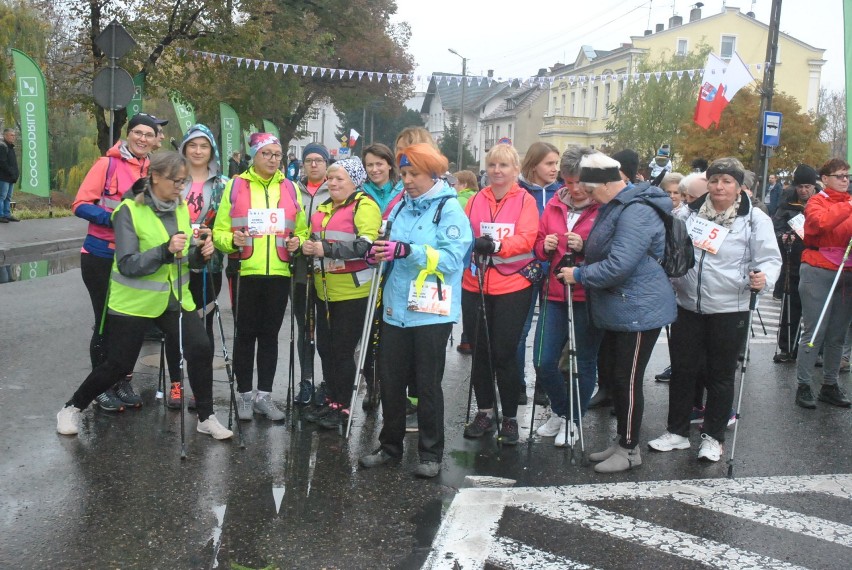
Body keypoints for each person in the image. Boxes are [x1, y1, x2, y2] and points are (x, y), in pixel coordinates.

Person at [56, 151, 233, 441]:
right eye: (176, 181)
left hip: (174, 297)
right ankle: (72, 407)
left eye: (184, 181)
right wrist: (165, 251)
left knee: (200, 348)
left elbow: (183, 256)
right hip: (135, 301)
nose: (181, 187)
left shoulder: (178, 207)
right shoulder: (128, 211)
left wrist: (200, 254)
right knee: (118, 364)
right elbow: (127, 263)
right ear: (155, 177)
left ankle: (206, 417)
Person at [648, 157, 781, 463]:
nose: (720, 187)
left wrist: (764, 277)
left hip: (729, 307)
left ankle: (713, 437)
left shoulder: (754, 219)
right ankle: (677, 432)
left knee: (720, 375)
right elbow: (673, 248)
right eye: (715, 181)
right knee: (683, 370)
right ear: (707, 184)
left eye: (727, 181)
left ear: (738, 187)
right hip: (687, 304)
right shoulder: (688, 213)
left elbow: (770, 259)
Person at [358, 143, 472, 478]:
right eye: (404, 173)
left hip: (431, 311)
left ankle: (430, 453)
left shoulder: (449, 209)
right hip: (396, 307)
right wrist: (376, 252)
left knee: (426, 385)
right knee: (391, 382)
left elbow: (453, 259)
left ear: (433, 174)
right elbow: (388, 243)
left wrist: (410, 251)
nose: (406, 180)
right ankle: (390, 446)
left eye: (414, 174)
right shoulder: (400, 207)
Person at [557, 152, 676, 473]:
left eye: (592, 188)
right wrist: (584, 250)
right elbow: (613, 248)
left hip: (639, 308)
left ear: (609, 183)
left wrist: (579, 275)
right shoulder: (617, 205)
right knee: (617, 376)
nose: (588, 195)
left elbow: (620, 265)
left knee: (628, 380)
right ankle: (622, 440)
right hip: (623, 304)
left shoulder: (636, 211)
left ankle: (629, 449)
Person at [212, 133, 308, 421]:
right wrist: (233, 242)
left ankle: (264, 396)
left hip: (279, 272)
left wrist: (298, 244)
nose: (273, 159)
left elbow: (301, 230)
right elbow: (219, 232)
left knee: (270, 337)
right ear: (254, 155)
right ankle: (243, 395)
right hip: (245, 271)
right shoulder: (236, 186)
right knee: (245, 335)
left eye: (277, 154)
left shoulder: (290, 188)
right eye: (266, 153)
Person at [72, 113, 157, 412]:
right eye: (138, 133)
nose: (143, 138)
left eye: (149, 134)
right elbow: (80, 204)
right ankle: (101, 387)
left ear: (156, 139)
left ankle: (120, 379)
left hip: (133, 260)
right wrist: (113, 218)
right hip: (101, 255)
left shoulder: (153, 169)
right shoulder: (106, 164)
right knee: (105, 322)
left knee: (128, 324)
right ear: (128, 134)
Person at [461, 144, 539, 445]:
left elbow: (527, 237)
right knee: (480, 352)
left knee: (504, 353)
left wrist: (496, 246)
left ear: (515, 170)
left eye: (504, 166)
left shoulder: (525, 201)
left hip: (511, 286)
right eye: (492, 165)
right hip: (475, 283)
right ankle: (484, 410)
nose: (497, 171)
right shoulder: (476, 199)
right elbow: (464, 232)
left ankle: (509, 417)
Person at [299, 158, 381, 429]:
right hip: (324, 290)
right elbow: (312, 239)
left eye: (340, 179)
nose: (332, 183)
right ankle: (332, 400)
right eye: (330, 178)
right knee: (325, 349)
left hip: (353, 292)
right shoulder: (323, 207)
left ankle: (343, 407)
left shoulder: (365, 206)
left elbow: (366, 247)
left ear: (355, 181)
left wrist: (326, 249)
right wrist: (306, 246)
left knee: (343, 351)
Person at [532, 145, 601, 446]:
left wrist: (586, 247)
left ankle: (574, 419)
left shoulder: (604, 206)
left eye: (579, 182)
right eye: (568, 181)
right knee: (542, 360)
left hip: (588, 296)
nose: (573, 188)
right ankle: (561, 411)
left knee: (582, 362)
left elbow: (614, 252)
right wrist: (544, 246)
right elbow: (537, 244)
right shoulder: (554, 205)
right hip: (554, 293)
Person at [158, 124, 228, 408]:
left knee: (203, 329)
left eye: (204, 146)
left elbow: (226, 223)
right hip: (175, 262)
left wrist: (213, 236)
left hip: (209, 264)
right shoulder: (172, 179)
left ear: (211, 151)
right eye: (192, 146)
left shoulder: (223, 184)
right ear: (184, 149)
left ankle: (202, 389)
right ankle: (176, 386)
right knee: (175, 326)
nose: (198, 151)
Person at [793, 158, 852, 409]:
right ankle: (804, 384)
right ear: (825, 179)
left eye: (847, 176)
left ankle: (830, 384)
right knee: (814, 331)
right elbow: (821, 224)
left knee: (838, 334)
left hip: (846, 271)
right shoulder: (817, 201)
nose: (845, 180)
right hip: (818, 268)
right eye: (839, 176)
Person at [515, 142, 562, 407]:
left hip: (554, 270)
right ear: (533, 165)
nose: (555, 169)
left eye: (557, 163)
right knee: (521, 331)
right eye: (549, 163)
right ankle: (518, 384)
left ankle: (544, 384)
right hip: (526, 268)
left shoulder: (562, 192)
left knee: (548, 329)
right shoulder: (519, 192)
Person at [292, 142, 332, 408]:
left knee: (328, 330)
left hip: (329, 269)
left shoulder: (336, 187)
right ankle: (306, 380)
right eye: (309, 160)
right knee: (305, 328)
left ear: (326, 163)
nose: (314, 164)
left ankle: (328, 382)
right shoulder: (293, 190)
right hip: (300, 269)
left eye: (319, 160)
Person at [772, 164, 817, 362]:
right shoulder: (787, 205)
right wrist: (783, 237)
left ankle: (815, 351)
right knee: (791, 308)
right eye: (800, 186)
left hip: (816, 264)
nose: (804, 190)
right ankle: (787, 347)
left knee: (814, 310)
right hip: (793, 263)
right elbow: (776, 229)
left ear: (814, 186)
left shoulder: (822, 204)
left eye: (807, 186)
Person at [362, 143, 403, 216]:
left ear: (390, 165)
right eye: (370, 165)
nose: (374, 169)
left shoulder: (404, 191)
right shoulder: (360, 194)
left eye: (379, 164)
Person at [0, 128, 20, 223]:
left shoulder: (11, 147)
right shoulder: (2, 146)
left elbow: (13, 163)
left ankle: (7, 215)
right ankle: (1, 215)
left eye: (14, 135)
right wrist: (11, 172)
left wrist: (16, 174)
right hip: (3, 177)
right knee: (2, 196)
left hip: (10, 178)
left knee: (8, 197)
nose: (13, 137)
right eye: (11, 135)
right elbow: (2, 163)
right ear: (5, 136)